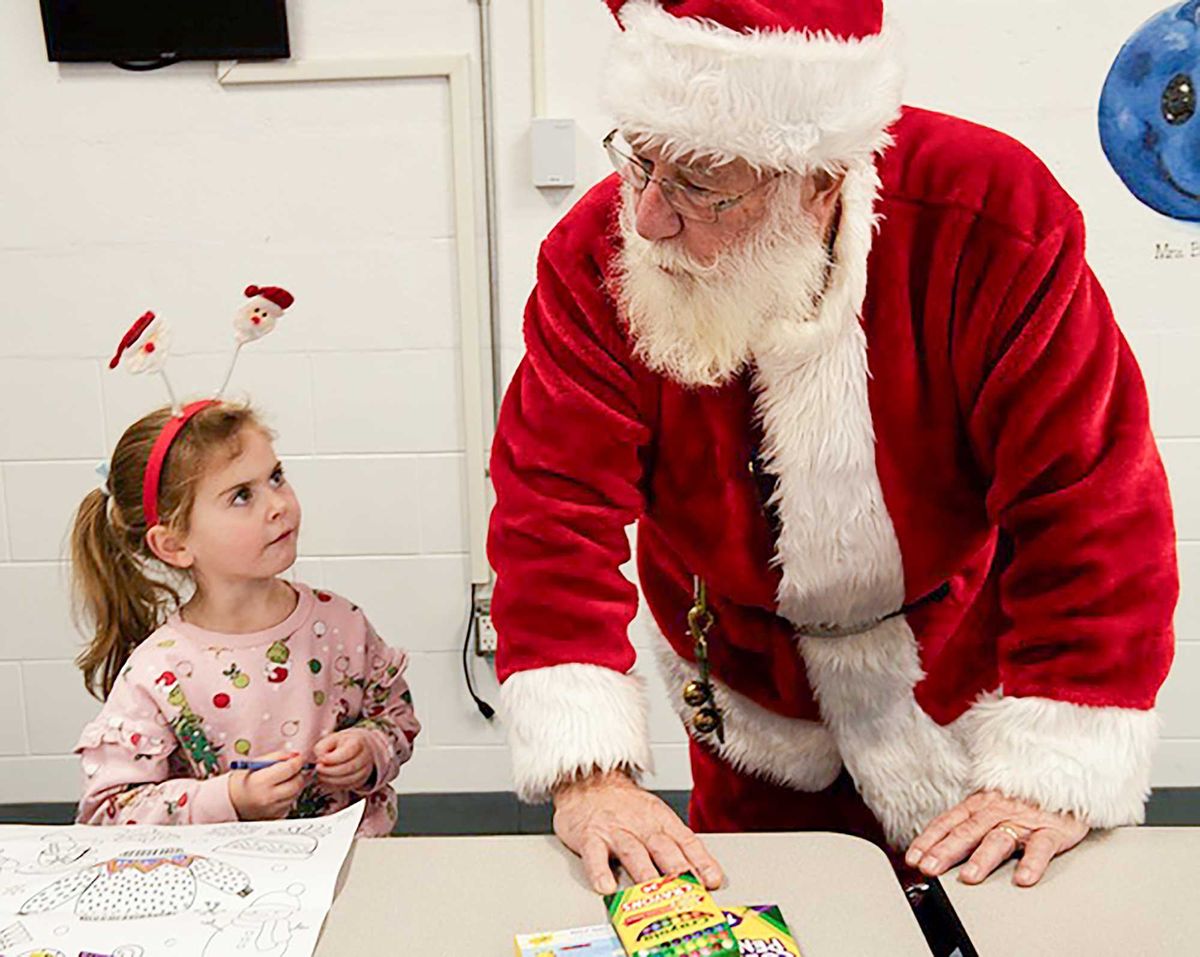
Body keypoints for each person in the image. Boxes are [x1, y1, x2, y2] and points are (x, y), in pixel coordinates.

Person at [489, 0, 1178, 892]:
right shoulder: (599, 253)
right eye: (640, 159)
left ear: (821, 179)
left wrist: (1059, 761)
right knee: (768, 902)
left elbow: (1090, 496)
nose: (650, 217)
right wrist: (589, 772)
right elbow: (552, 507)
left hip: (953, 660)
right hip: (742, 672)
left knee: (988, 904)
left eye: (702, 184)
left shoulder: (989, 215)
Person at [70, 401, 420, 834]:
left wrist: (370, 749)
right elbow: (110, 813)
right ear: (175, 545)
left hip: (352, 872)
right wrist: (230, 798)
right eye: (241, 495)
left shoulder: (341, 624)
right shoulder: (157, 671)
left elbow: (395, 717)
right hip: (222, 891)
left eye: (276, 477)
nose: (277, 504)